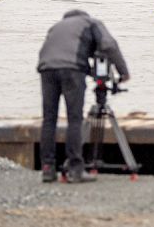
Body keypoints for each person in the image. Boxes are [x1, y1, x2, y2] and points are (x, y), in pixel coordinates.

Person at [37, 10, 129, 183]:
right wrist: (123, 73)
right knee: (74, 119)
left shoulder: (56, 27)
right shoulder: (91, 22)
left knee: (49, 119)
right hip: (71, 70)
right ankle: (75, 170)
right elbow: (109, 45)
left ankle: (47, 169)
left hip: (46, 68)